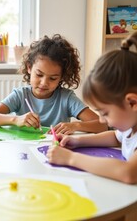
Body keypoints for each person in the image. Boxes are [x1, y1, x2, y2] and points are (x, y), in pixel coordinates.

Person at [47, 32, 137, 184]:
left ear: (132, 103)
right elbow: (115, 137)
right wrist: (77, 141)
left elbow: (128, 173)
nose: (102, 120)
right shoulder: (129, 126)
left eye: (105, 113)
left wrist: (70, 158)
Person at [0, 34, 107, 134]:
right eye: (39, 75)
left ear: (62, 77)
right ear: (29, 68)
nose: (44, 83)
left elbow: (102, 124)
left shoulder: (66, 98)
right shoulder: (20, 95)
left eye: (53, 78)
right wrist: (15, 120)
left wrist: (75, 125)